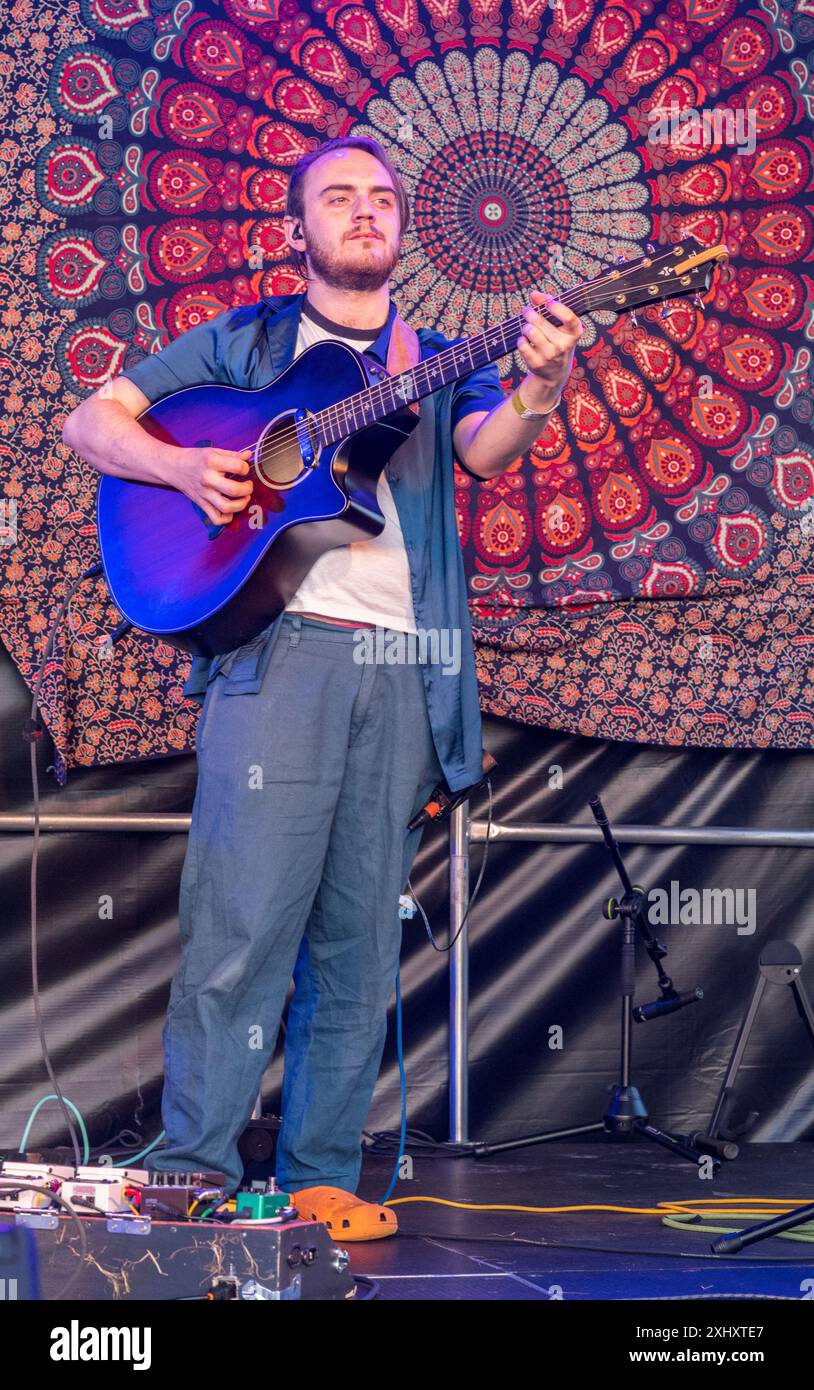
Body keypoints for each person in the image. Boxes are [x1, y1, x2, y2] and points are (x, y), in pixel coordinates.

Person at [63, 135, 582, 1238]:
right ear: (297, 228)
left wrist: (544, 382)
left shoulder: (433, 355)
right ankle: (197, 1165)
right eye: (337, 198)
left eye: (382, 199)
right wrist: (182, 465)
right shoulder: (249, 344)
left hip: (400, 669)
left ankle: (317, 1173)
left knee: (355, 936)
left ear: (401, 230)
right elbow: (90, 422)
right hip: (278, 655)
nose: (364, 212)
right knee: (241, 923)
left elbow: (489, 452)